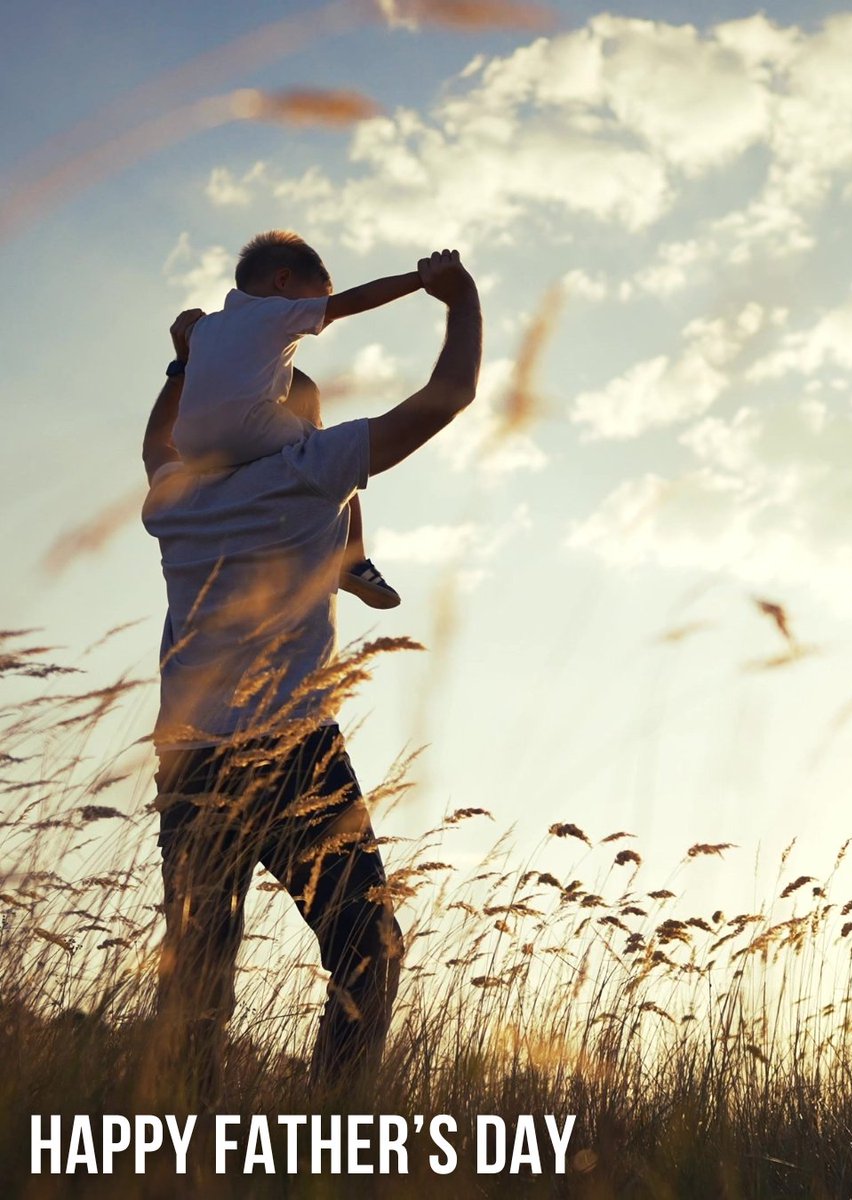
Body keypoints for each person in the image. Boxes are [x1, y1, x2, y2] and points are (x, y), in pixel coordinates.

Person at [141, 248, 482, 1109]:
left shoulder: (170, 495)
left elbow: (159, 436)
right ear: (297, 422)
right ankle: (327, 1137)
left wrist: (187, 360)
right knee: (368, 948)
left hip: (188, 760)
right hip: (292, 747)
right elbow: (448, 398)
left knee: (195, 984)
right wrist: (461, 300)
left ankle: (175, 1161)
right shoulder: (310, 470)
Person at [173, 229, 421, 609]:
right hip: (248, 427)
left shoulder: (204, 328)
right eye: (314, 302)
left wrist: (184, 343)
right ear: (283, 280)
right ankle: (353, 560)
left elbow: (186, 333)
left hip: (189, 448)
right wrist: (420, 279)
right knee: (333, 449)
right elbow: (356, 300)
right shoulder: (276, 311)